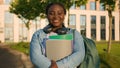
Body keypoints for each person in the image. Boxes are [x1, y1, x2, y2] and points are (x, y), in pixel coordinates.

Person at [30, 2, 85, 68]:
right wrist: (51, 66)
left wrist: (58, 66)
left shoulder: (74, 33)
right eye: (51, 13)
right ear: (47, 15)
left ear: (64, 15)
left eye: (59, 13)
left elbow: (79, 54)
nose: (56, 17)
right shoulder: (37, 35)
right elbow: (35, 57)